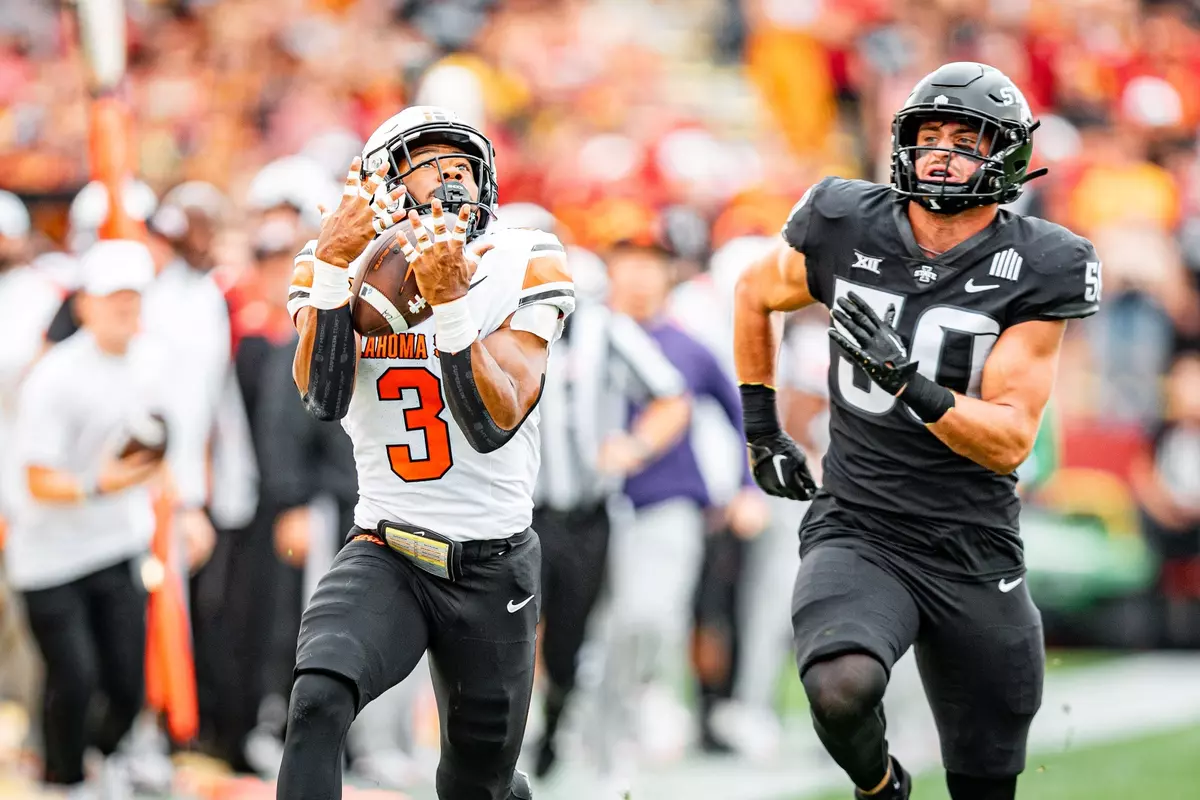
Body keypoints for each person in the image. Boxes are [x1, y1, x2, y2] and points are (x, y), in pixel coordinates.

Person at [732, 62, 1103, 800]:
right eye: (927, 135)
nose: (940, 153)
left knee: (985, 778)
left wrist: (910, 381)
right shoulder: (845, 218)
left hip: (972, 539)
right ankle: (881, 788)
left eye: (964, 141)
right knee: (840, 686)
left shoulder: (1043, 261)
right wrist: (762, 428)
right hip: (860, 523)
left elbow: (1008, 440)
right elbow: (754, 291)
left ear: (1006, 157)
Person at [279, 105, 575, 800]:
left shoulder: (523, 259)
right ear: (384, 184)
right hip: (389, 546)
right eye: (429, 167)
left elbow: (491, 421)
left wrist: (452, 307)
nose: (452, 183)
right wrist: (329, 272)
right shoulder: (332, 258)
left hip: (492, 563)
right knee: (317, 700)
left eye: (462, 167)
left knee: (477, 785)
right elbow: (321, 395)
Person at [7, 240, 166, 799]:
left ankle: (99, 761)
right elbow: (36, 478)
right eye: (113, 297)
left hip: (116, 543)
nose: (126, 308)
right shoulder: (55, 376)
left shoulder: (150, 359)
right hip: (49, 554)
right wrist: (101, 484)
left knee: (127, 683)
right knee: (73, 678)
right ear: (85, 305)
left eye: (133, 297)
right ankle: (63, 779)